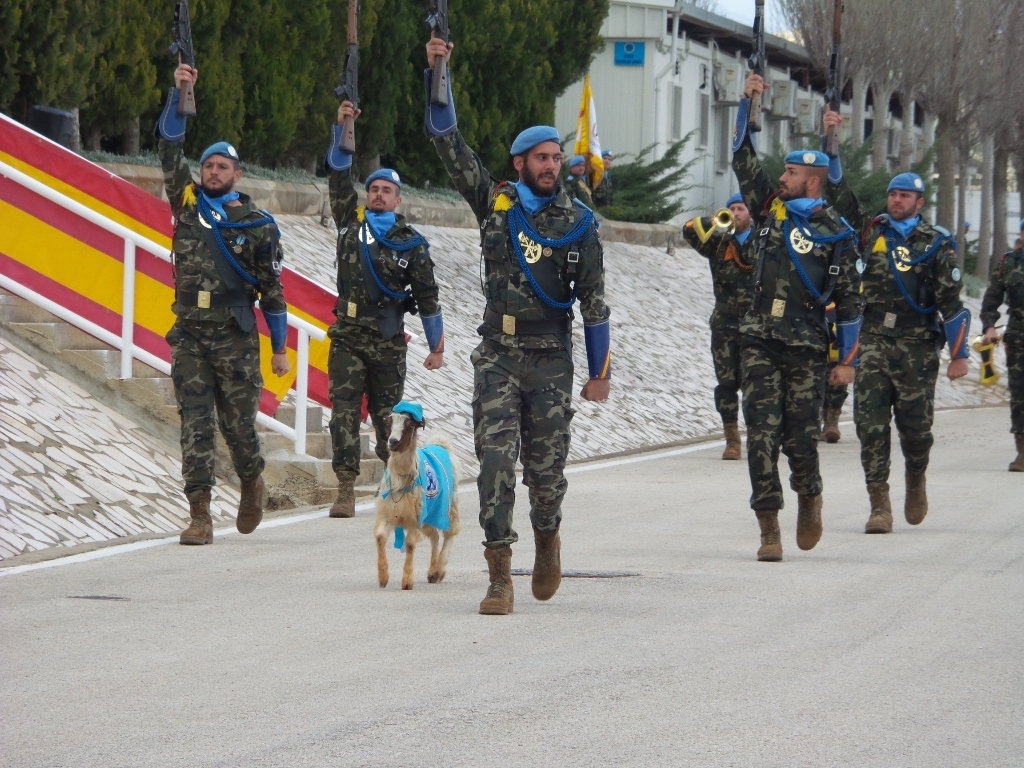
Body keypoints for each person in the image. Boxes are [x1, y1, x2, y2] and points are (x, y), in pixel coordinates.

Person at [425, 35, 612, 614]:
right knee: (497, 461)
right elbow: (445, 140)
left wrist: (599, 372)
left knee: (546, 468)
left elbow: (595, 304)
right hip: (499, 353)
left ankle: (549, 534)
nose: (552, 165)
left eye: (557, 157)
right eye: (542, 158)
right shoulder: (496, 203)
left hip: (552, 357)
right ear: (520, 164)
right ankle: (499, 574)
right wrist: (439, 71)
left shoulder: (579, 223)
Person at [157, 63, 291, 545]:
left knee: (237, 430)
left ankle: (251, 479)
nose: (213, 172)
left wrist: (279, 348)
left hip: (235, 338)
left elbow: (273, 293)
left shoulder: (257, 225)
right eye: (208, 165)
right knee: (195, 423)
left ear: (237, 174)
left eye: (222, 167)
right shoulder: (187, 203)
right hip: (190, 332)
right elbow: (169, 148)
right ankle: (199, 515)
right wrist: (179, 95)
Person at [732, 74, 862, 562]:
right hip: (760, 338)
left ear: (811, 178)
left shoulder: (837, 231)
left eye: (788, 173)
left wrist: (846, 359)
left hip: (807, 343)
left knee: (799, 437)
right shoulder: (771, 210)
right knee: (761, 434)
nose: (780, 178)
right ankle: (768, 525)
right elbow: (742, 157)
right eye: (782, 171)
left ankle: (809, 494)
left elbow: (850, 300)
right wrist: (749, 103)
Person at [823, 108, 970, 533]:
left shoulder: (936, 244)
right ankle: (879, 505)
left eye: (905, 196)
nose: (896, 200)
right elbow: (837, 194)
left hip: (918, 344)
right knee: (870, 424)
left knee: (916, 428)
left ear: (919, 203)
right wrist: (831, 141)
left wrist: (959, 354)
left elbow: (952, 302)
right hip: (873, 340)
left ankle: (916, 477)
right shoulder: (872, 232)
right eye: (893, 194)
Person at [323, 100, 446, 518]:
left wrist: (437, 347)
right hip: (348, 335)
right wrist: (344, 129)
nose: (378, 195)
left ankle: (395, 479)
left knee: (386, 420)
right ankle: (344, 488)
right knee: (342, 409)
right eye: (373, 189)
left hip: (388, 340)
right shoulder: (349, 225)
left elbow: (428, 298)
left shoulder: (411, 244)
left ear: (398, 200)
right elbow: (338, 176)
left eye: (386, 191)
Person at [682, 192, 756, 460]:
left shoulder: (764, 242)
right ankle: (732, 439)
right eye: (732, 209)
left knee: (754, 382)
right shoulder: (718, 241)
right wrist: (717, 219)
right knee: (726, 383)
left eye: (741, 209)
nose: (736, 213)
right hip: (724, 323)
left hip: (756, 326)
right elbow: (688, 229)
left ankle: (759, 437)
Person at [979, 218, 1024, 472]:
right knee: (1020, 396)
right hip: (1019, 337)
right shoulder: (1009, 263)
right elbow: (992, 299)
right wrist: (989, 326)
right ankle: (1022, 452)